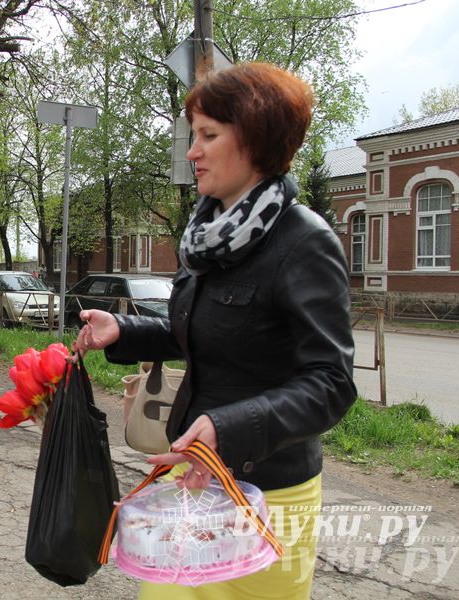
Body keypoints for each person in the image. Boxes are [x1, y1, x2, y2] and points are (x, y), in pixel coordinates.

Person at [74, 62, 356, 599]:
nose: (192, 152)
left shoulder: (304, 241)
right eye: (192, 135)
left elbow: (332, 384)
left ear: (253, 138)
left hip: (270, 492)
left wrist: (228, 426)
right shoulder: (207, 235)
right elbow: (198, 332)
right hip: (196, 477)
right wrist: (124, 330)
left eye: (208, 135)